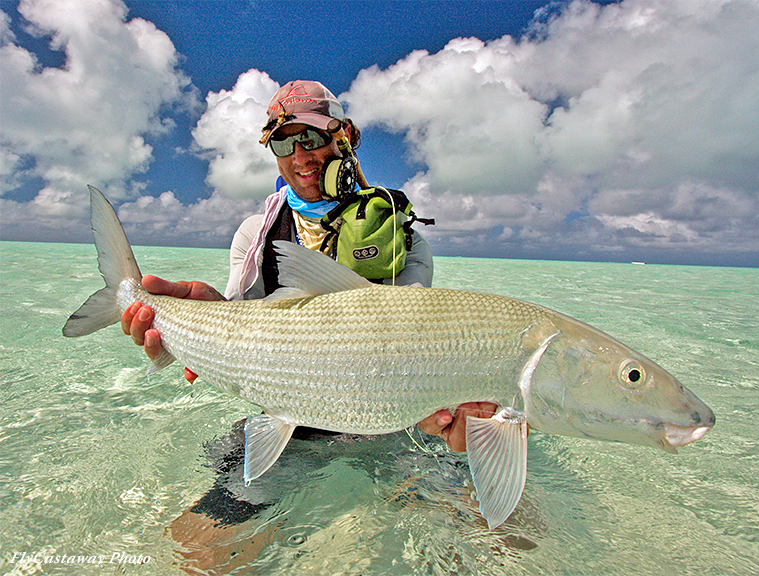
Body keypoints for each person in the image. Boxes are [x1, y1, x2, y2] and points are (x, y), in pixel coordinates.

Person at [121, 80, 498, 453]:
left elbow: (412, 358)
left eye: (313, 138)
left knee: (495, 511)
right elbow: (244, 334)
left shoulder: (402, 239)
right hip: (289, 424)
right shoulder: (255, 236)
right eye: (284, 143)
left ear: (344, 136)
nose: (300, 157)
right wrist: (206, 317)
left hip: (386, 430)